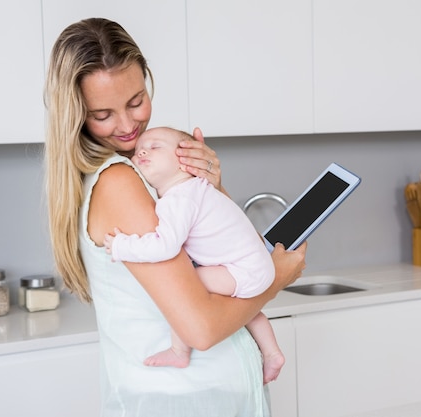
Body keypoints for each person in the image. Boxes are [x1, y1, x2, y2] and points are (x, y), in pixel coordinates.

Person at [44, 17, 307, 417]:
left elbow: (218, 257)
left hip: (196, 393)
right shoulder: (119, 182)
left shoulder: (144, 170)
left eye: (136, 101)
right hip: (186, 398)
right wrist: (276, 278)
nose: (129, 125)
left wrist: (210, 189)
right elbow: (199, 329)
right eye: (104, 115)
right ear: (76, 114)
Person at [103, 127, 285, 383]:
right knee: (248, 311)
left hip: (244, 270)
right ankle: (272, 352)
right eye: (138, 150)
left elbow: (165, 246)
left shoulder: (179, 199)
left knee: (186, 287)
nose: (142, 151)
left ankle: (179, 350)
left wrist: (123, 246)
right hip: (255, 267)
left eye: (155, 147)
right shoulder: (197, 189)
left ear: (186, 160)